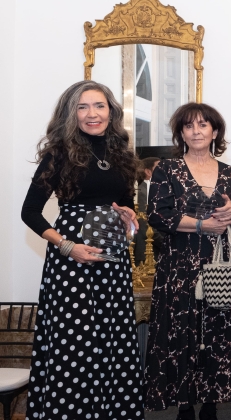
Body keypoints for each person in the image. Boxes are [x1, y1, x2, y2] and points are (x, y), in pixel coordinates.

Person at [20, 80, 143, 420]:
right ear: (71, 113)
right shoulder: (58, 154)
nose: (93, 114)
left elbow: (125, 202)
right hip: (71, 261)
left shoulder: (121, 153)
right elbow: (29, 212)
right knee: (75, 342)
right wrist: (68, 247)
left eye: (99, 106)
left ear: (111, 111)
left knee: (113, 338)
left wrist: (127, 212)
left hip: (112, 257)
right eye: (83, 107)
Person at [145, 102, 231, 420]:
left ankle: (210, 403)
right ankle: (184, 405)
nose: (196, 131)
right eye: (189, 126)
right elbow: (157, 216)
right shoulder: (167, 169)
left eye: (203, 125)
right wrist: (204, 224)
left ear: (214, 131)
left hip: (220, 267)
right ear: (181, 133)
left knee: (218, 334)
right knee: (182, 336)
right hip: (179, 269)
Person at [136, 156, 161, 265]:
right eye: (159, 168)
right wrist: (163, 241)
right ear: (148, 171)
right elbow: (144, 220)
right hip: (146, 249)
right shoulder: (141, 190)